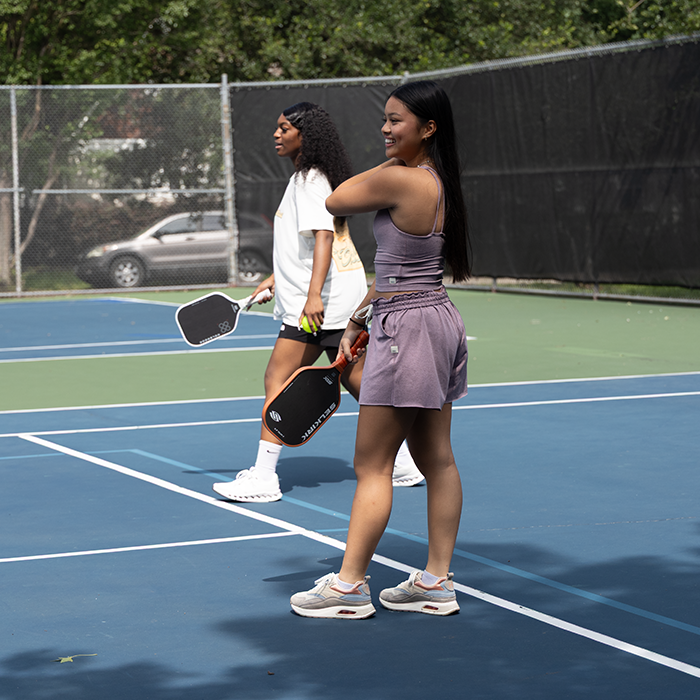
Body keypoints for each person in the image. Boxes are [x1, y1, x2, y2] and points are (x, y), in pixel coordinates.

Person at [290, 81, 471, 619]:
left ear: (428, 128)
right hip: (432, 317)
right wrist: (359, 316)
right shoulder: (439, 181)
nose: (386, 129)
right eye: (385, 120)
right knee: (437, 460)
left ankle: (348, 588)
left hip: (408, 329)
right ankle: (436, 582)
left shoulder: (400, 178)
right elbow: (402, 271)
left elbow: (335, 199)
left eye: (396, 121)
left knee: (372, 464)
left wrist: (387, 160)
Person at [212, 102, 423, 504]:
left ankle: (264, 477)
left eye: (284, 128)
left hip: (321, 304)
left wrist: (311, 297)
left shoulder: (310, 179)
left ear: (304, 136)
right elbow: (308, 245)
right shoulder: (310, 177)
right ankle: (404, 461)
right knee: (360, 382)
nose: (277, 134)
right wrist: (277, 277)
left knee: (277, 379)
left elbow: (324, 237)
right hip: (337, 299)